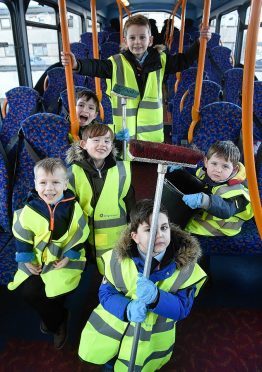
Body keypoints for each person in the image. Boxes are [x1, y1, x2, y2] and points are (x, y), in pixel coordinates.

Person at [78, 199, 207, 370]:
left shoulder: (186, 270)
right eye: (149, 230)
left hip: (146, 343)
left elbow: (182, 308)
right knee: (106, 364)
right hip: (110, 333)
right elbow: (105, 294)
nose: (159, 235)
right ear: (135, 236)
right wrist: (126, 308)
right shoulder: (117, 260)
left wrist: (156, 298)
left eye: (164, 227)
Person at [61, 14, 211, 144]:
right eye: (132, 38)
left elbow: (183, 60)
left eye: (142, 37)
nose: (137, 42)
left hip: (151, 136)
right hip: (125, 134)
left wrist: (199, 43)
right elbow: (96, 67)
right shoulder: (116, 62)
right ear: (125, 41)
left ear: (150, 40)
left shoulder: (162, 60)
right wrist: (77, 64)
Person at [8, 158, 89, 349]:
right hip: (35, 259)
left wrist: (70, 254)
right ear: (35, 184)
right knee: (29, 293)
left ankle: (55, 319)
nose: (49, 189)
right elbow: (22, 233)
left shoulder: (73, 208)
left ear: (65, 184)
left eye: (55, 183)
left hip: (63, 258)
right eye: (43, 183)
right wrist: (26, 258)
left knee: (55, 294)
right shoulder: (28, 209)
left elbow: (80, 233)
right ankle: (58, 320)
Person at [66, 123, 135, 274]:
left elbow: (130, 201)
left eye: (107, 141)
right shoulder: (72, 173)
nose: (102, 144)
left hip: (117, 237)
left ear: (112, 145)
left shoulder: (122, 170)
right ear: (83, 144)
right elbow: (67, 210)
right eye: (96, 140)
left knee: (115, 274)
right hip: (85, 238)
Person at [180, 140, 254, 236]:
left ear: (234, 169)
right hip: (204, 214)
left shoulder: (238, 191)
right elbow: (197, 179)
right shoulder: (206, 173)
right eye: (214, 164)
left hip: (220, 226)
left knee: (177, 228)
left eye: (225, 166)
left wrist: (203, 200)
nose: (218, 170)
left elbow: (226, 210)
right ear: (206, 162)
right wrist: (180, 172)